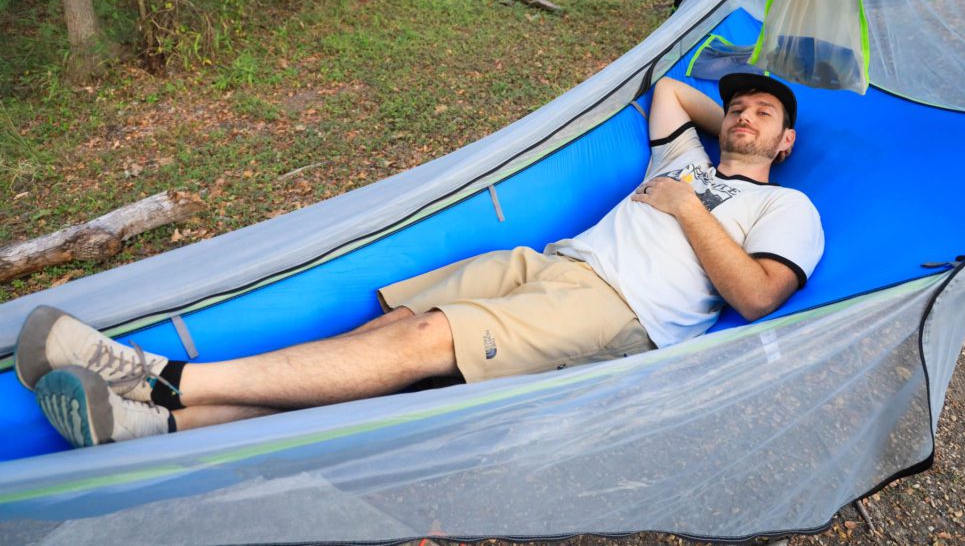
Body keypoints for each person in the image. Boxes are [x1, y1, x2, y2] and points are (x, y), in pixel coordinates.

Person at [17, 73, 824, 448]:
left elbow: (756, 293)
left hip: (618, 305)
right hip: (543, 263)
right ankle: (151, 425)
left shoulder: (787, 206)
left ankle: (156, 376)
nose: (745, 118)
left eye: (764, 116)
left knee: (417, 346)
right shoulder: (682, 155)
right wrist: (728, 134)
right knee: (391, 340)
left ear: (788, 143)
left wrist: (696, 202)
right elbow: (671, 93)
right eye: (742, 108)